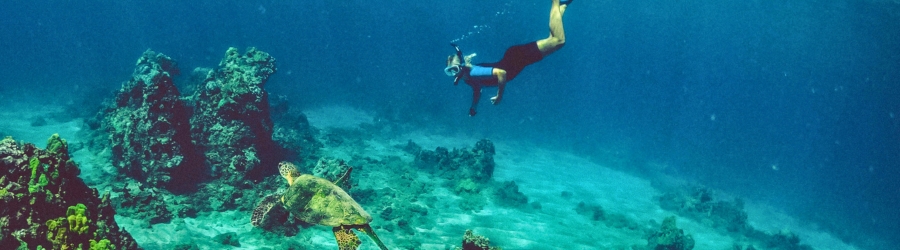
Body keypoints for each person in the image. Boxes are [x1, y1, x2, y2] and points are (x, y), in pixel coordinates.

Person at [445, 0, 572, 116]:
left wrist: (499, 96)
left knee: (559, 40)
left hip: (517, 57)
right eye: (450, 71)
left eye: (455, 69)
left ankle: (556, 2)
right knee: (553, 39)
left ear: (461, 65)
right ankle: (561, 7)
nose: (454, 73)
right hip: (519, 60)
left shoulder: (472, 71)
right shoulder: (468, 80)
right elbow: (478, 90)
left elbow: (501, 73)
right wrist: (474, 107)